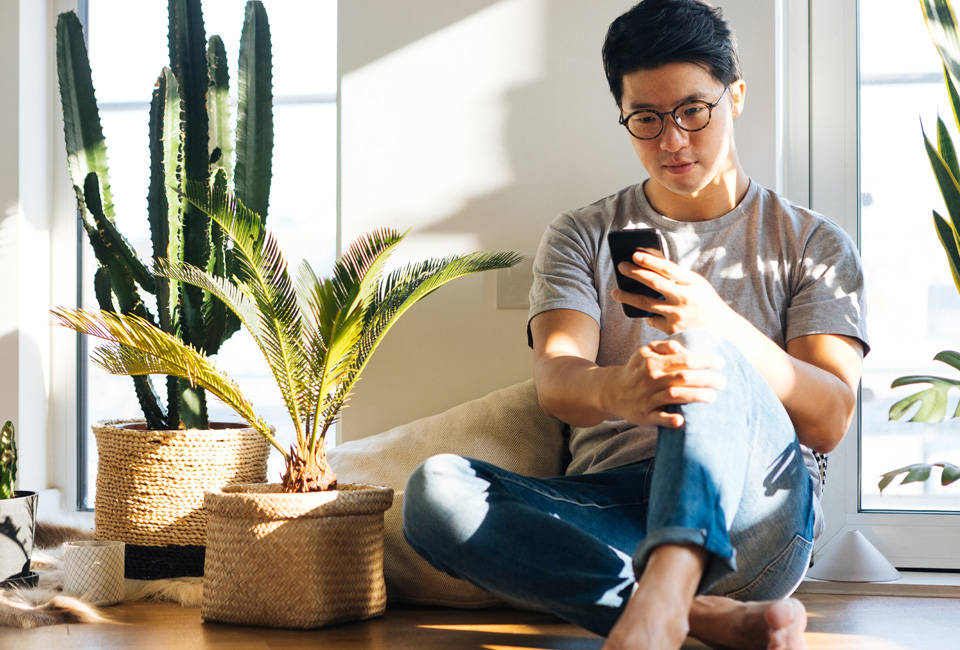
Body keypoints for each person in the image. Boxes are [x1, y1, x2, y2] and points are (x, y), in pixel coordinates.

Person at [402, 1, 868, 648]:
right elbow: (559, 382)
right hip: (618, 510)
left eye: (692, 112)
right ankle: (694, 614)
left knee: (704, 350)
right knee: (434, 492)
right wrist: (618, 392)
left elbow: (830, 417)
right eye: (646, 119)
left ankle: (665, 599)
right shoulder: (583, 235)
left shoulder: (811, 243)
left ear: (734, 96)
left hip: (758, 518)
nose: (672, 140)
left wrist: (720, 326)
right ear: (624, 116)